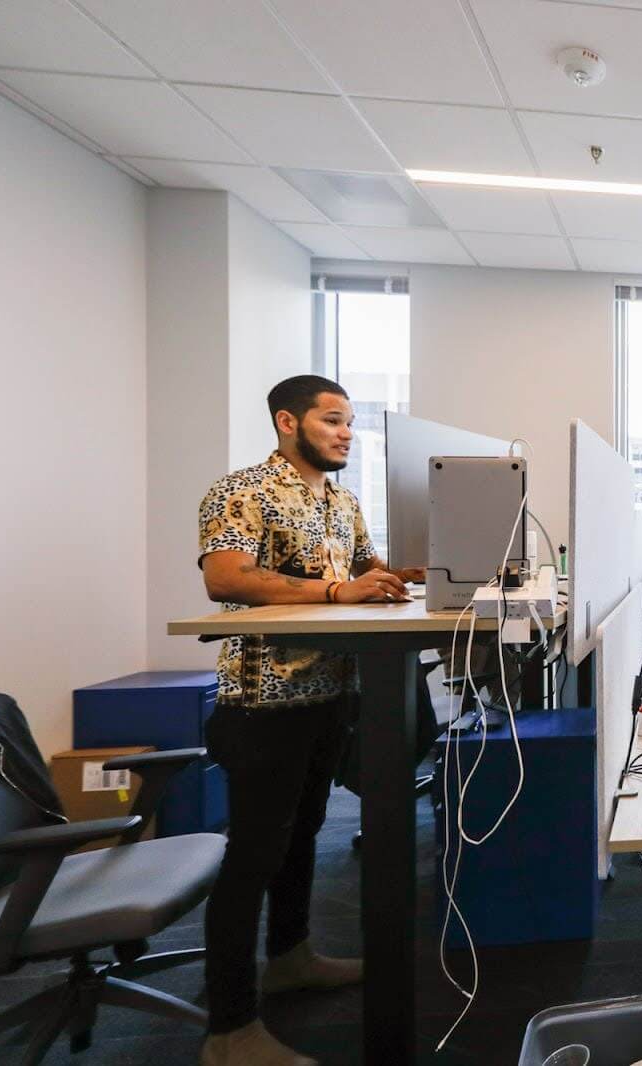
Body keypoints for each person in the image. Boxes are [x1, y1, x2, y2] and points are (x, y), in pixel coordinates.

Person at [196, 375, 423, 1066]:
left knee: (303, 839)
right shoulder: (242, 490)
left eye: (351, 422)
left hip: (328, 695)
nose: (347, 432)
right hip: (263, 701)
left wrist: (424, 572)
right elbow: (225, 578)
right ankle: (230, 1031)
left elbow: (366, 570)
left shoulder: (341, 501)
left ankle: (290, 956)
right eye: (333, 420)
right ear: (288, 422)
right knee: (253, 856)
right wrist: (335, 589)